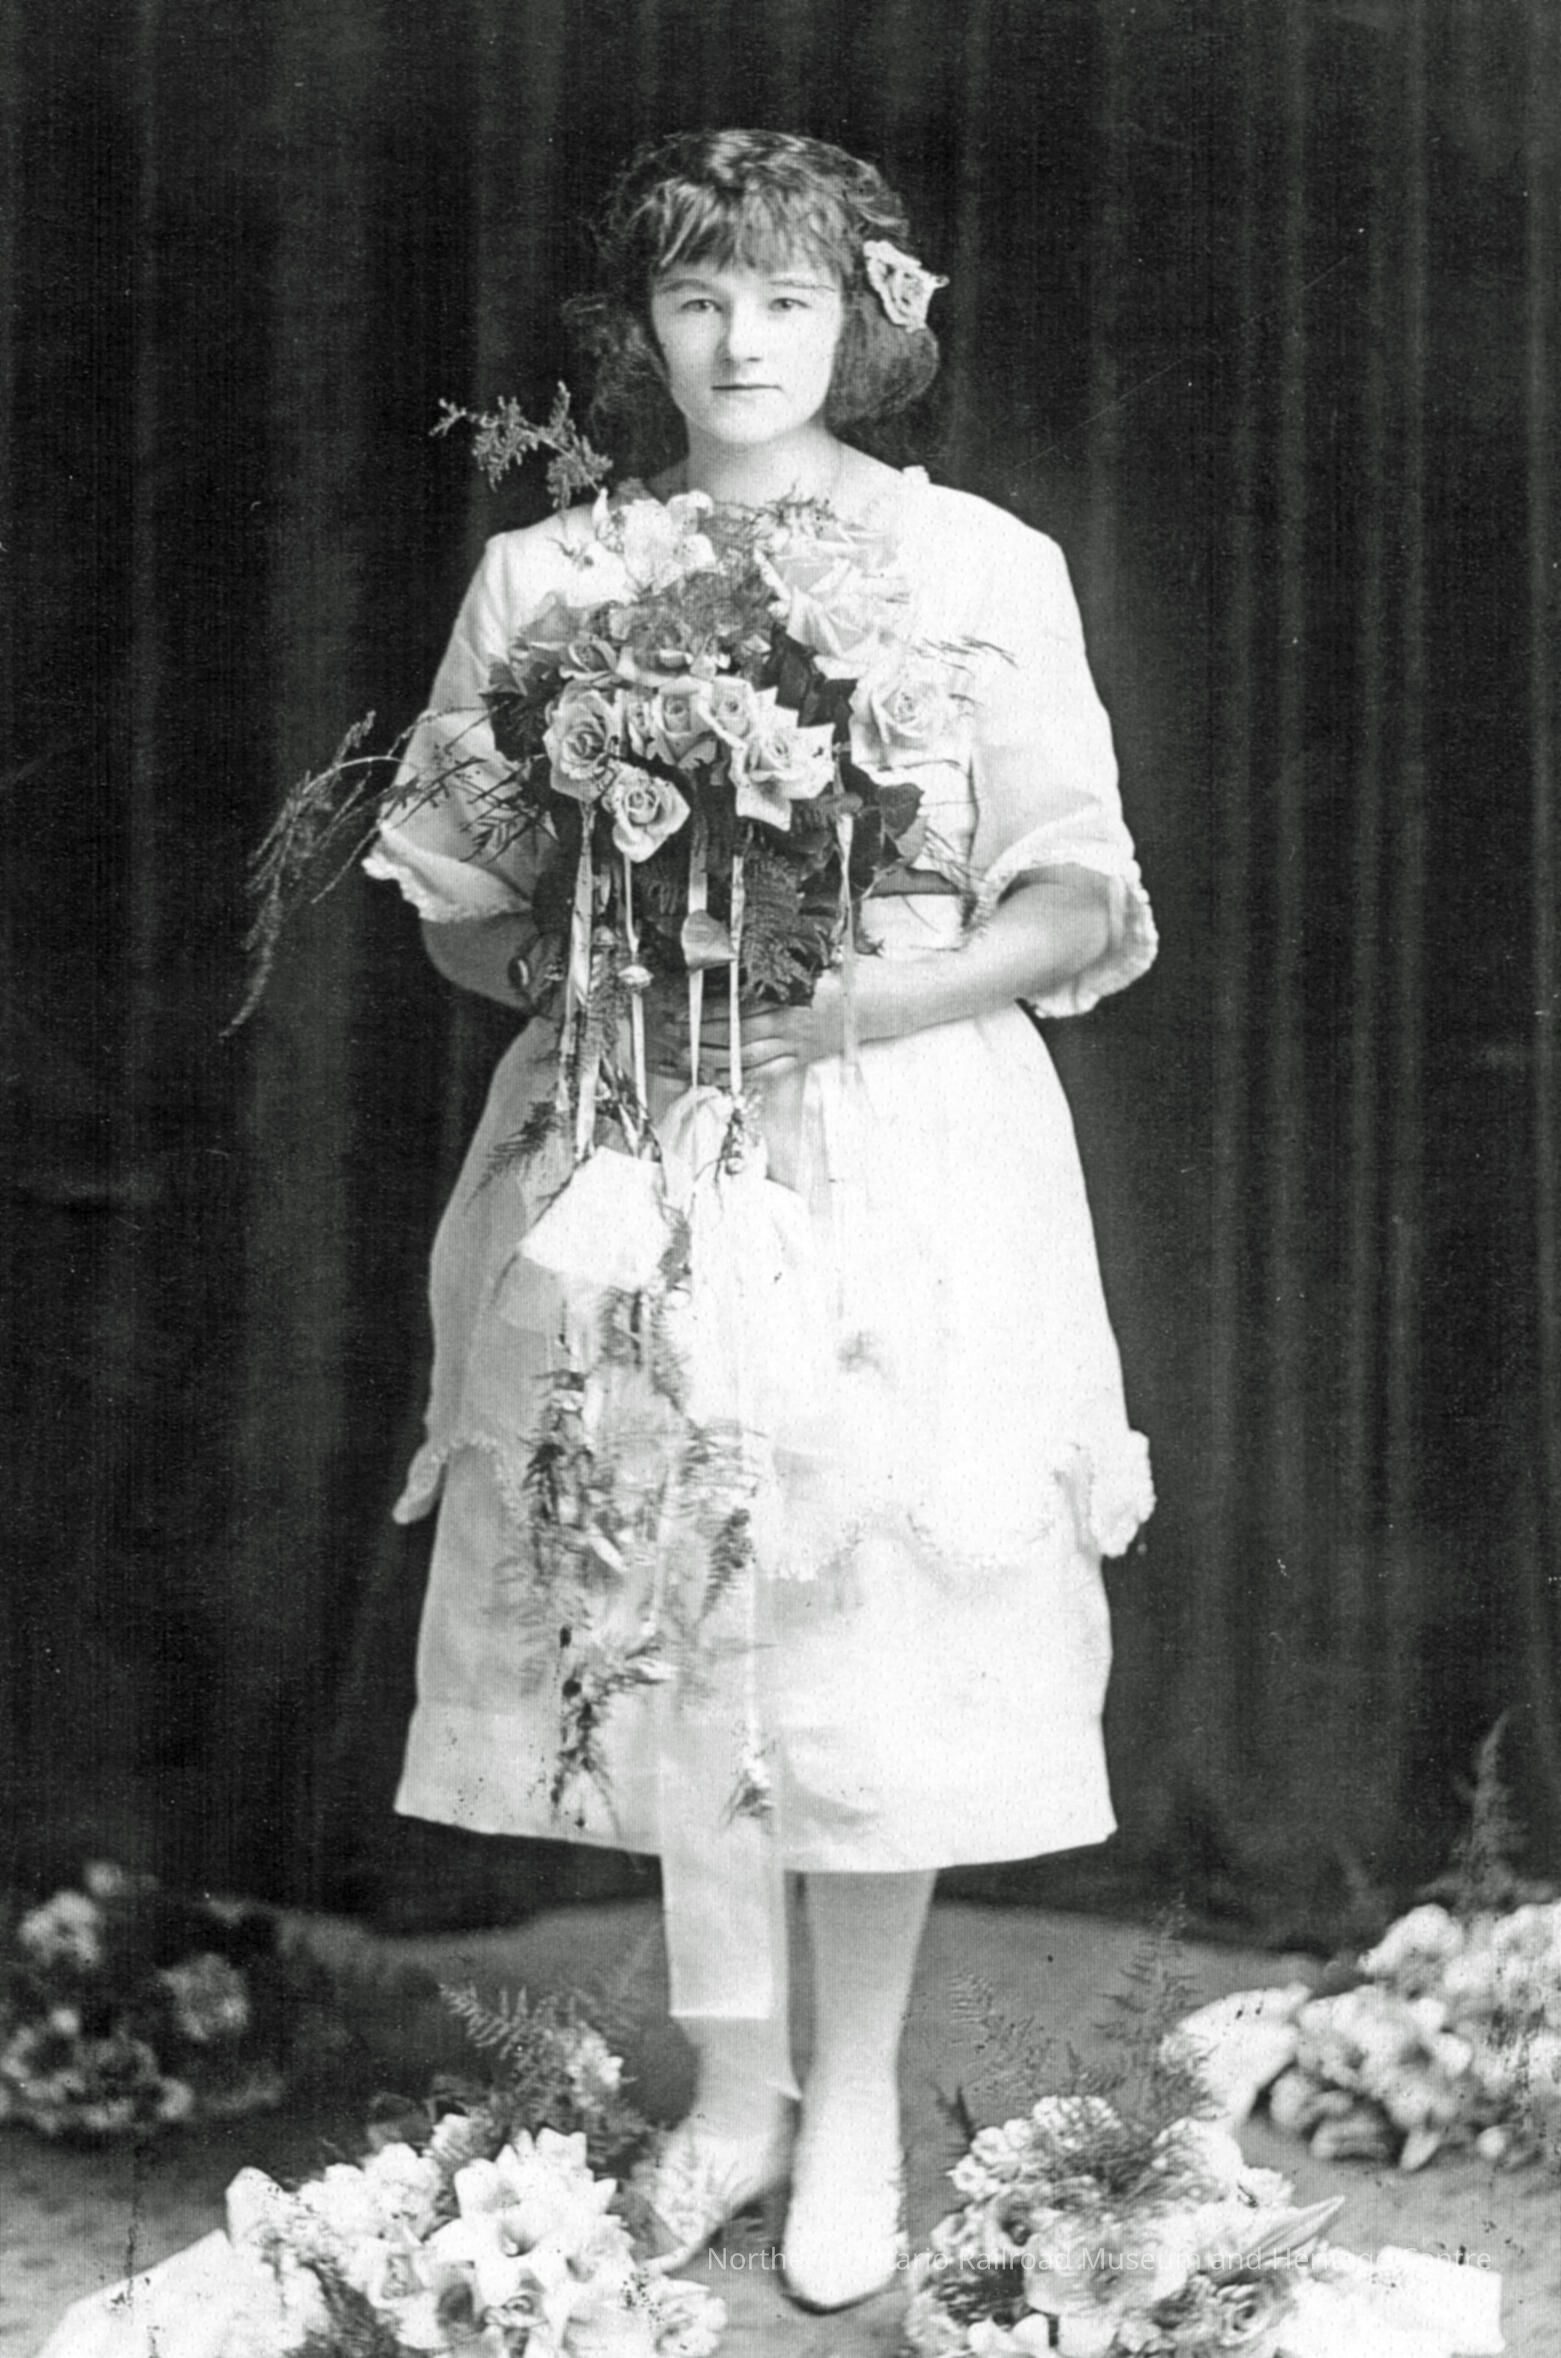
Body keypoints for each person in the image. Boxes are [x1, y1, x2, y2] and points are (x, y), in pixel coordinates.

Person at [365, 128, 1157, 2313]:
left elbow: (1073, 893)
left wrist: (853, 1005)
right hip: (639, 1137)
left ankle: (861, 2095)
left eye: (787, 298)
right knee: (678, 1598)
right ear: (638, 327)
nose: (740, 341)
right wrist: (598, 976)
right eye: (697, 297)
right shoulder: (552, 574)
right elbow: (452, 901)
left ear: (861, 323)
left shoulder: (977, 561)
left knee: (863, 1610)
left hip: (901, 1136)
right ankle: (738, 2089)